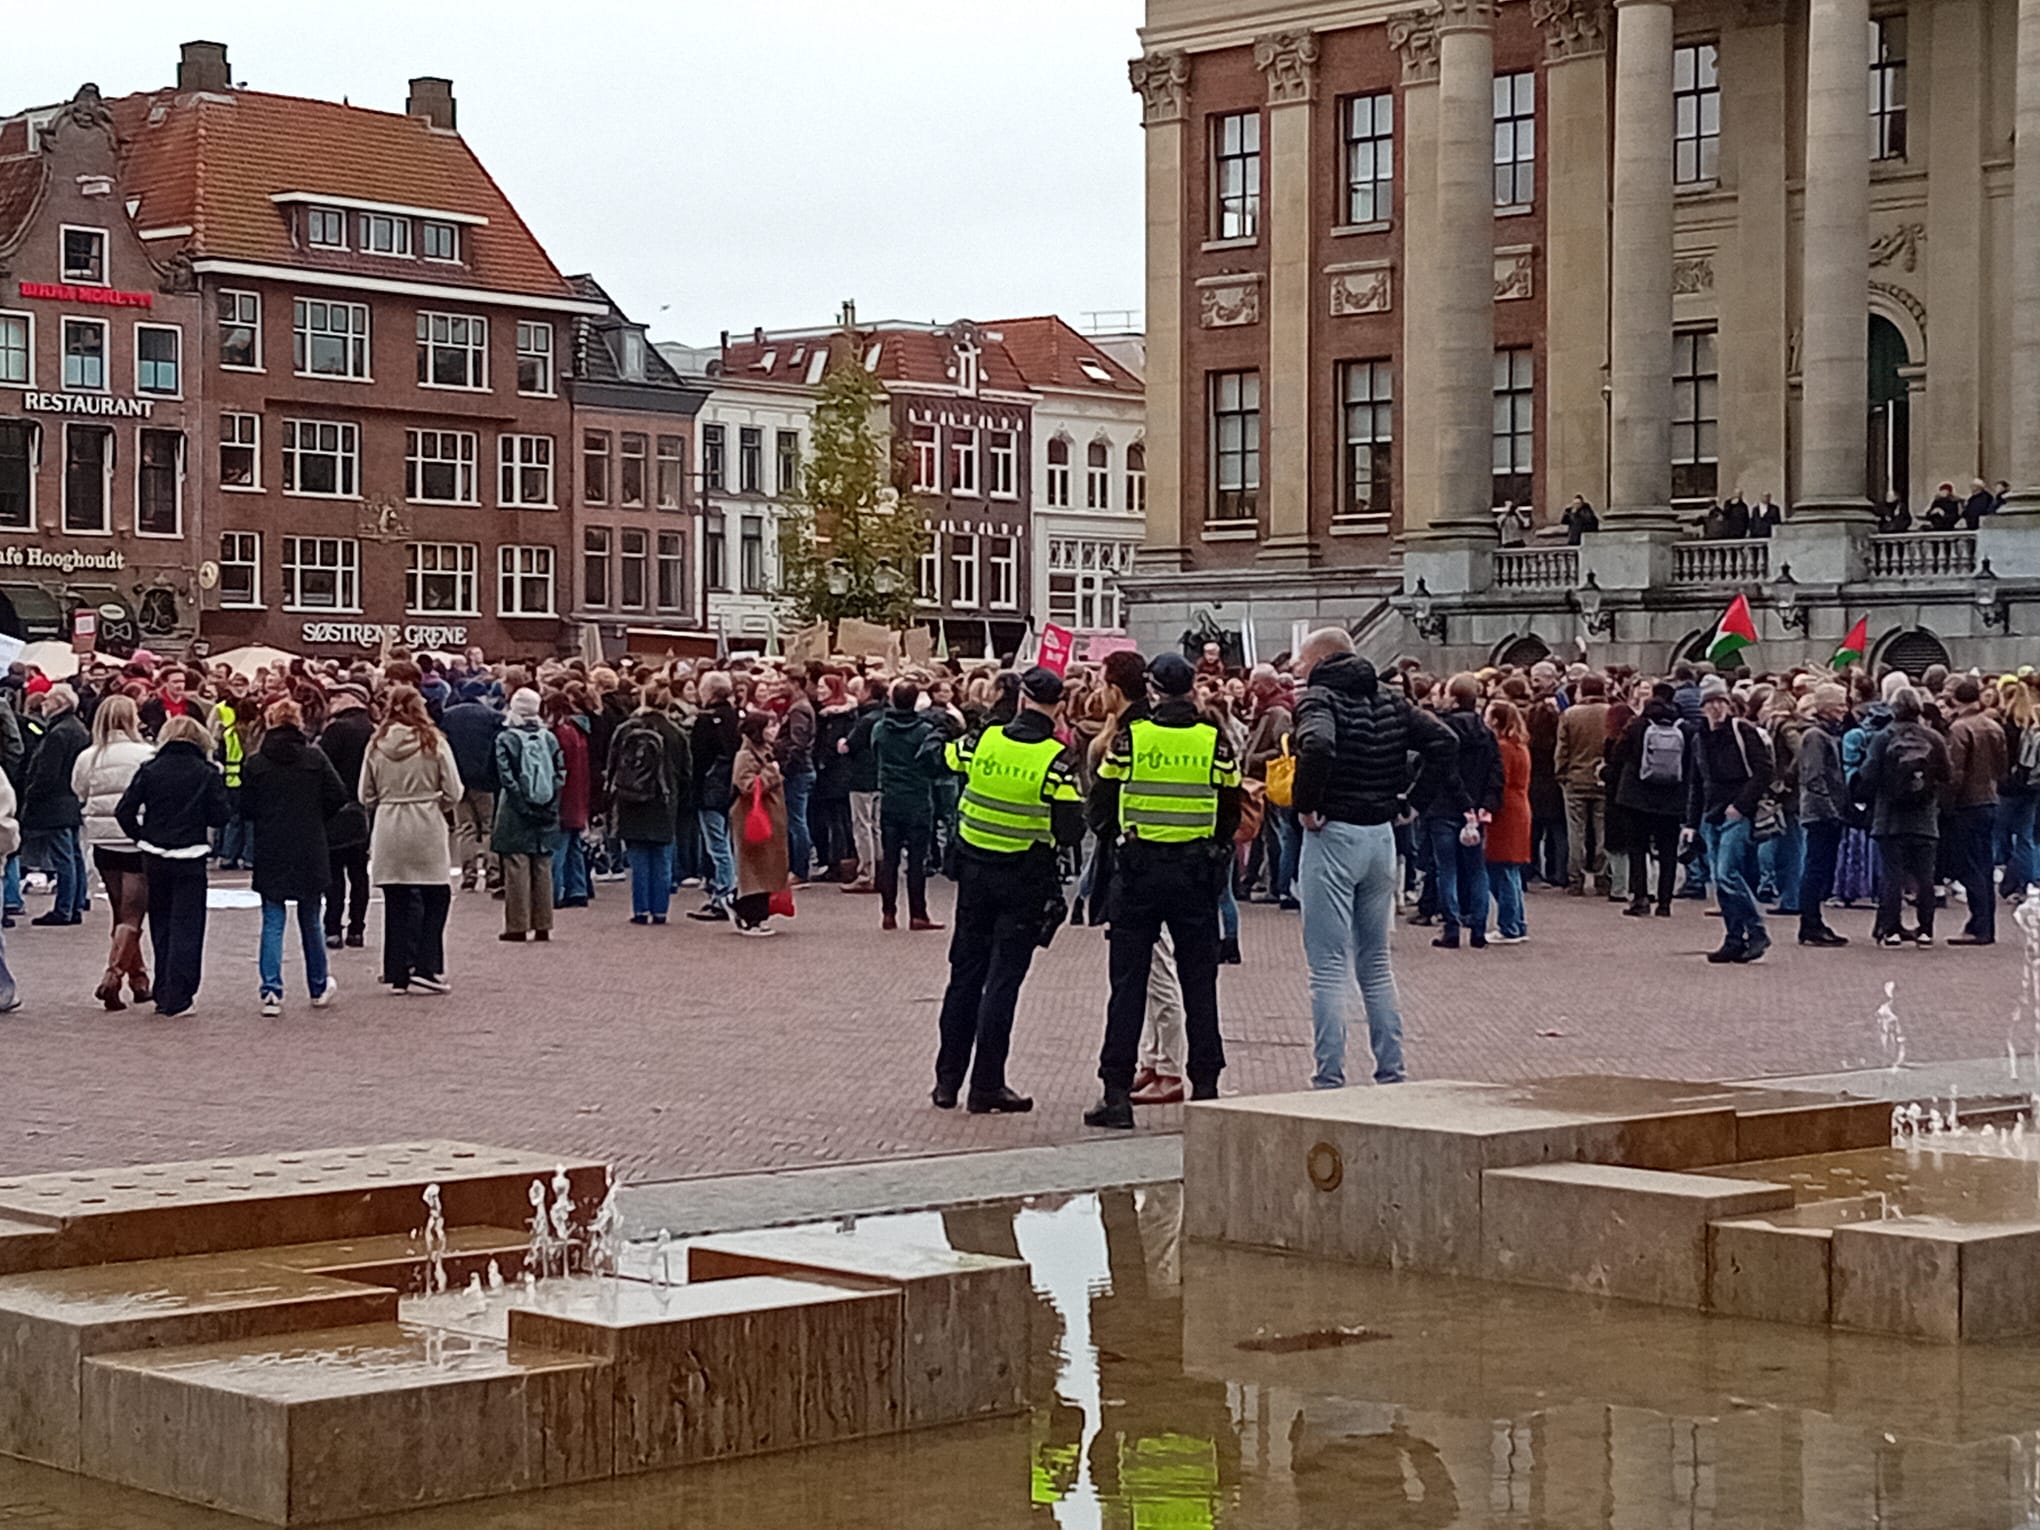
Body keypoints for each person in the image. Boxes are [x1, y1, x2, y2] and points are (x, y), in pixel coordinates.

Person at [1290, 630, 1455, 1090]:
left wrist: (1307, 803)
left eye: (1302, 661)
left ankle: (1328, 1076)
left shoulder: (1319, 699)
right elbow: (1443, 742)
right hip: (1380, 834)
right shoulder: (1390, 698)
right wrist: (1411, 801)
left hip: (1334, 831)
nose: (1298, 670)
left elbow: (1318, 746)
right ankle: (1391, 1070)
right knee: (1376, 963)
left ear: (1322, 658)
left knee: (1327, 967)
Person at [1081, 655, 1233, 1129]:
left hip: (1139, 872)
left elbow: (1100, 802)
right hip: (1194, 875)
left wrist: (1122, 834)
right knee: (1200, 983)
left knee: (1127, 985)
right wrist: (1211, 846)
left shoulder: (1132, 739)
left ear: (1152, 689)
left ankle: (1115, 1093)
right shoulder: (1214, 741)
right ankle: (1206, 1088)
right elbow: (1231, 808)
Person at [934, 666, 1082, 1115]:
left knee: (964, 976)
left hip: (975, 873)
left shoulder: (983, 741)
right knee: (1003, 983)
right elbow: (1072, 830)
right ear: (1059, 708)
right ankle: (987, 1085)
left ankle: (946, 1081)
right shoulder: (1057, 760)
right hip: (1023, 878)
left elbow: (944, 757)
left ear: (1020, 700)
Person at [112, 715, 229, 1018]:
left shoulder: (150, 769)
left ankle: (163, 991)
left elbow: (124, 810)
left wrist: (142, 837)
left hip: (155, 855)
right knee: (188, 927)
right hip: (191, 855)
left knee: (161, 924)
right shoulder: (207, 772)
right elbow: (220, 816)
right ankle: (181, 996)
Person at [239, 697, 347, 1016]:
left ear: (270, 722)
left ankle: (271, 990)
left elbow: (244, 808)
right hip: (308, 844)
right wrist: (316, 817)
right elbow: (337, 795)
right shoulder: (314, 758)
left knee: (273, 920)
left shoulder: (257, 763)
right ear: (298, 722)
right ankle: (317, 986)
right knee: (311, 919)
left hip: (271, 844)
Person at [360, 684, 464, 995]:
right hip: (425, 822)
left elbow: (365, 793)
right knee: (436, 895)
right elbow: (454, 790)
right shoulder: (434, 742)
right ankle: (427, 966)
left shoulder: (376, 744)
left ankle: (397, 970)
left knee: (396, 899)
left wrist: (388, 801)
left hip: (390, 823)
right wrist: (436, 804)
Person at [71, 695, 155, 1009]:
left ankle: (139, 978)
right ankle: (114, 975)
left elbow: (78, 790)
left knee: (120, 913)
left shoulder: (89, 757)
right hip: (136, 838)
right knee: (133, 915)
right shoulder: (146, 753)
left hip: (104, 840)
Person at [1853, 685, 1952, 947]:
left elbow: (1869, 774)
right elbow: (1947, 774)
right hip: (1925, 818)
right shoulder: (1934, 738)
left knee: (1892, 875)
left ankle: (1892, 929)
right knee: (1925, 876)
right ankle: (1926, 930)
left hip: (1890, 817)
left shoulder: (1883, 737)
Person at [1683, 676, 1774, 963]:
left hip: (1736, 812)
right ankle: (1734, 937)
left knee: (1727, 873)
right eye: (1709, 703)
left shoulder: (1742, 731)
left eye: (1719, 702)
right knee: (1718, 880)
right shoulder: (1699, 739)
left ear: (1728, 703)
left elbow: (1763, 771)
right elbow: (1696, 783)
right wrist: (1690, 823)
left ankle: (1756, 930)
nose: (1715, 708)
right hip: (1712, 814)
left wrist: (1741, 805)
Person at [1420, 673, 1501, 949]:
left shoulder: (1443, 730)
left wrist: (1464, 803)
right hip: (1477, 811)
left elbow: (1445, 772)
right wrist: (1484, 805)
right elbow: (1495, 773)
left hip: (1445, 808)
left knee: (1448, 870)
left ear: (1453, 699)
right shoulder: (1486, 733)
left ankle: (1451, 927)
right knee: (1477, 870)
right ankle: (1478, 927)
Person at [608, 682, 690, 926]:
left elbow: (612, 764)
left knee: (638, 856)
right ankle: (661, 909)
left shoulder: (625, 729)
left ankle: (640, 909)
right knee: (662, 856)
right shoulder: (676, 733)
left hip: (631, 798)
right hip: (664, 799)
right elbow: (686, 772)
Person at [872, 679, 945, 932]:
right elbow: (933, 764)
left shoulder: (881, 728)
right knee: (916, 860)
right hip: (917, 799)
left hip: (890, 798)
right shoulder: (924, 731)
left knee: (890, 859)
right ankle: (918, 913)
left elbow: (875, 754)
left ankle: (888, 913)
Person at [493, 688, 564, 943]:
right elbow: (559, 773)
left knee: (516, 866)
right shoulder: (549, 738)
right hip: (546, 807)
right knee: (542, 864)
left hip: (515, 811)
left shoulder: (506, 738)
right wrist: (550, 804)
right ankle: (544, 923)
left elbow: (505, 776)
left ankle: (517, 925)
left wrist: (522, 805)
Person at [1612, 682, 1687, 917]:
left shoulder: (1637, 725)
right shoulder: (1683, 727)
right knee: (1668, 852)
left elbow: (1618, 754)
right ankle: (1665, 902)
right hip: (1672, 798)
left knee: (1638, 849)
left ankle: (1641, 899)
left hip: (1637, 797)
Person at [1945, 676, 2007, 945]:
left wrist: (1946, 802)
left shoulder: (1959, 729)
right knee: (1984, 863)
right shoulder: (1994, 726)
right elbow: (2003, 766)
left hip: (1968, 803)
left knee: (1970, 865)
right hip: (1990, 798)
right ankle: (1985, 924)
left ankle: (1978, 924)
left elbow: (1955, 772)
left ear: (1956, 699)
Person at [23, 685, 91, 926]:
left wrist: (30, 794)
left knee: (64, 858)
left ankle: (64, 908)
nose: (44, 704)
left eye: (49, 700)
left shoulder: (58, 734)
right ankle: (76, 904)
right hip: (70, 800)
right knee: (74, 856)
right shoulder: (77, 729)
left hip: (55, 804)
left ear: (59, 702)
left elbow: (47, 773)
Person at [1794, 682, 1853, 947]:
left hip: (1828, 811)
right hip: (1820, 813)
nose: (1844, 709)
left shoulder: (1826, 735)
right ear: (1827, 707)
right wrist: (1830, 810)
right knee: (1816, 867)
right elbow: (1813, 777)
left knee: (1822, 867)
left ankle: (1814, 920)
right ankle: (1810, 923)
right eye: (1840, 704)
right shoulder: (1815, 736)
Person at [317, 684, 373, 950]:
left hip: (336, 809)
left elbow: (322, 768)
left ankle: (332, 928)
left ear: (354, 699)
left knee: (335, 872)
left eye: (337, 696)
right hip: (364, 808)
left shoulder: (337, 729)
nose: (333, 701)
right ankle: (357, 929)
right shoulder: (374, 729)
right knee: (359, 872)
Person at [729, 708, 789, 935]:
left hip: (768, 816)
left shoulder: (766, 751)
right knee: (755, 868)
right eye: (770, 726)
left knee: (767, 867)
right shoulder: (745, 755)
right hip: (753, 817)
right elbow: (746, 785)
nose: (774, 731)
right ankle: (750, 914)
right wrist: (771, 774)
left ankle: (759, 914)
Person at [689, 671, 743, 921]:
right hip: (729, 786)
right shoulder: (734, 717)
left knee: (717, 845)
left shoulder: (705, 721)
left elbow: (697, 759)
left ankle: (724, 894)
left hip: (709, 788)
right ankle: (727, 891)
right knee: (726, 842)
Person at [441, 683, 503, 894]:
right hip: (485, 779)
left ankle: (469, 876)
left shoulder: (448, 716)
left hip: (458, 779)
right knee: (488, 827)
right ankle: (493, 873)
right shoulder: (492, 716)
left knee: (465, 828)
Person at [1553, 673, 1611, 897]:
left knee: (1575, 832)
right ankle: (1602, 878)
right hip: (1602, 779)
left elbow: (1562, 749)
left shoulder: (1570, 715)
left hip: (1575, 779)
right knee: (1602, 831)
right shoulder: (1609, 713)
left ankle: (1575, 879)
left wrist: (1561, 773)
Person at [1485, 698, 1532, 944]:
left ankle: (1509, 925)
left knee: (1500, 869)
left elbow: (1499, 782)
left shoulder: (1503, 747)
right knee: (1510, 870)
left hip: (1505, 811)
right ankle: (1516, 923)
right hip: (1519, 808)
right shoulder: (1519, 745)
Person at [545, 691, 595, 910]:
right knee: (574, 845)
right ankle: (578, 889)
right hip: (579, 793)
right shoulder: (579, 731)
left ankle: (552, 893)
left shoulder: (559, 733)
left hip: (564, 797)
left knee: (558, 847)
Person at [841, 677, 886, 893]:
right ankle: (881, 870)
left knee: (862, 826)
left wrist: (843, 743)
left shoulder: (865, 720)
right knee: (877, 827)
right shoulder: (885, 716)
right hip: (880, 776)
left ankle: (866, 872)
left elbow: (850, 745)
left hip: (861, 777)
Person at [776, 664, 818, 883]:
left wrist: (785, 768)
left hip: (797, 772)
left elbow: (798, 743)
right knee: (795, 819)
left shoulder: (798, 709)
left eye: (784, 682)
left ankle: (800, 869)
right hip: (800, 770)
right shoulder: (799, 707)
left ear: (794, 684)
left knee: (796, 821)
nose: (781, 686)